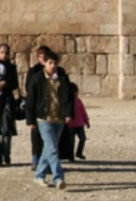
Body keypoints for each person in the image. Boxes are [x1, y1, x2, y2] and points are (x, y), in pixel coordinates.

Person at [26, 50, 74, 190]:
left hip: (59, 118)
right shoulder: (37, 79)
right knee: (53, 149)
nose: (53, 66)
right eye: (50, 63)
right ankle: (58, 178)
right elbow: (31, 101)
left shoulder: (63, 78)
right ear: (44, 63)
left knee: (49, 149)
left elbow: (69, 97)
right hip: (44, 118)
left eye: (55, 63)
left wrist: (68, 114)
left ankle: (39, 176)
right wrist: (30, 120)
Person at [24, 45, 51, 169]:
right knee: (35, 134)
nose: (43, 58)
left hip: (51, 108)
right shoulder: (33, 71)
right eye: (41, 56)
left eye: (45, 56)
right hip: (37, 106)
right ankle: (35, 157)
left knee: (50, 135)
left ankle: (48, 160)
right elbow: (28, 89)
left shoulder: (55, 70)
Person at [68, 82, 90, 160]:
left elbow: (83, 112)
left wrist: (86, 121)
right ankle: (70, 156)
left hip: (79, 124)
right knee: (71, 142)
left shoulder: (78, 101)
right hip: (70, 126)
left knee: (83, 139)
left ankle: (79, 153)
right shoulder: (66, 102)